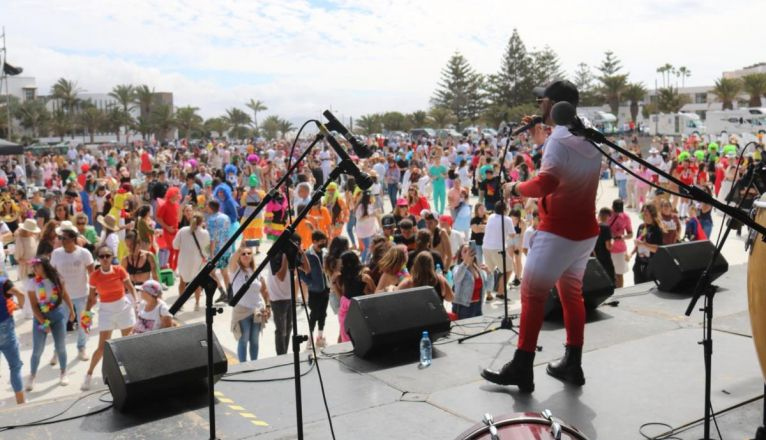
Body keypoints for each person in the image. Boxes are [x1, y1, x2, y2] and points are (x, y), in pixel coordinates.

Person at [483, 81, 602, 392]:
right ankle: (572, 364)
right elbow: (565, 160)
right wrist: (542, 135)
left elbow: (546, 183)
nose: (539, 108)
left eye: (542, 103)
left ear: (554, 105)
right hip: (584, 231)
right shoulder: (588, 131)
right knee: (571, 294)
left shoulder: (559, 142)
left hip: (558, 232)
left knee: (532, 295)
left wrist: (514, 188)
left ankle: (522, 366)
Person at [81, 245, 137, 391]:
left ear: (112, 257)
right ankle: (88, 374)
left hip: (123, 308)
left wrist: (136, 302)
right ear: (98, 259)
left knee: (128, 343)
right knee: (102, 347)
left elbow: (130, 286)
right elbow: (91, 298)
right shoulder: (94, 276)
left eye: (107, 255)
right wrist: (86, 317)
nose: (105, 259)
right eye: (102, 256)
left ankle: (131, 373)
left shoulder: (119, 270)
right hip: (106, 311)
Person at [26, 257, 76, 390]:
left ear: (44, 266)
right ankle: (32, 376)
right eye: (33, 266)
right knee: (37, 350)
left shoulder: (57, 280)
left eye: (37, 266)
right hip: (40, 316)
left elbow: (65, 295)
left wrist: (71, 310)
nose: (34, 268)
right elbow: (34, 306)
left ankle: (63, 372)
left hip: (58, 315)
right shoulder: (32, 283)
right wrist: (43, 322)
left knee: (60, 346)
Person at [50, 222, 94, 363]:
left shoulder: (84, 253)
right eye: (61, 238)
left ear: (73, 239)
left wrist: (94, 294)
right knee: (60, 325)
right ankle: (57, 350)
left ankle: (82, 347)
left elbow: (92, 274)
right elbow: (52, 274)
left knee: (84, 323)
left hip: (82, 294)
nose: (61, 241)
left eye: (65, 238)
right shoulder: (56, 254)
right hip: (62, 297)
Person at [229, 246, 270, 361]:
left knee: (255, 341)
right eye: (243, 254)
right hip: (242, 311)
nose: (246, 255)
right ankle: (243, 367)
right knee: (243, 340)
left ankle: (254, 365)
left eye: (249, 253)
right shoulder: (235, 269)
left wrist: (267, 306)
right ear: (239, 256)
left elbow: (265, 291)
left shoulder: (257, 271)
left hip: (257, 311)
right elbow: (232, 260)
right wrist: (239, 249)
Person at [334, 251, 375, 342]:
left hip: (358, 307)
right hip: (346, 307)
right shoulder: (341, 276)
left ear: (348, 263)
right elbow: (341, 296)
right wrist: (333, 284)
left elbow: (374, 292)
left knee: (359, 336)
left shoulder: (364, 275)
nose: (340, 265)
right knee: (346, 334)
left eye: (342, 263)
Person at [298, 231, 330, 349]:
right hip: (314, 291)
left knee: (323, 314)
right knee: (314, 315)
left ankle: (320, 338)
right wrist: (309, 282)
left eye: (324, 240)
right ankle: (310, 340)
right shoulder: (308, 254)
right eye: (321, 241)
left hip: (325, 289)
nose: (323, 242)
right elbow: (300, 272)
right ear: (314, 241)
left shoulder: (325, 252)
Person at [174, 211, 210, 310]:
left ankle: (180, 304)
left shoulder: (182, 230)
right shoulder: (205, 233)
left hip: (184, 260)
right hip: (197, 261)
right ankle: (197, 304)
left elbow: (175, 245)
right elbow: (206, 250)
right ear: (202, 221)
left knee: (182, 282)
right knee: (197, 283)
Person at [0, 275, 26, 403]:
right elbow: (19, 293)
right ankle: (21, 403)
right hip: (4, 327)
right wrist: (20, 305)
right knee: (15, 366)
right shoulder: (3, 282)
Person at [481, 201, 515, 297]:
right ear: (504, 209)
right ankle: (500, 292)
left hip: (486, 247)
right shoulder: (507, 219)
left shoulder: (491, 217)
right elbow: (512, 235)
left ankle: (488, 294)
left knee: (489, 271)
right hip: (498, 248)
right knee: (508, 269)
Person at [452, 243, 489, 319]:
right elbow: (457, 278)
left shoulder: (478, 269)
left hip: (478, 306)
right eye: (465, 251)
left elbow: (488, 287)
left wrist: (489, 273)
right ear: (461, 256)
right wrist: (465, 262)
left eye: (470, 250)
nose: (468, 253)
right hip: (464, 308)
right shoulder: (457, 268)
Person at [630, 204, 665, 284]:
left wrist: (644, 244)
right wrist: (631, 254)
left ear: (652, 214)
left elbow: (657, 249)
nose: (643, 214)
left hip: (651, 266)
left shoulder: (657, 229)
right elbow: (638, 244)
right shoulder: (641, 227)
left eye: (645, 212)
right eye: (642, 212)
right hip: (639, 264)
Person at [206, 200, 232, 303]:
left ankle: (222, 293)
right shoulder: (226, 217)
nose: (206, 209)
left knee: (211, 273)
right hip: (226, 249)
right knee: (225, 272)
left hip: (216, 252)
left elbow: (212, 239)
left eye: (207, 207)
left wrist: (211, 254)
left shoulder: (211, 220)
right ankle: (230, 295)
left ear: (211, 208)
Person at [607, 199, 632, 288]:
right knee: (608, 274)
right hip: (607, 249)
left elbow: (630, 234)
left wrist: (622, 237)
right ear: (612, 207)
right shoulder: (607, 215)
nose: (618, 212)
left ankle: (619, 294)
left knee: (619, 275)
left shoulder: (626, 217)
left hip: (620, 250)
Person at [594, 208, 615, 282]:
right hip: (605, 258)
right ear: (607, 216)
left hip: (596, 257)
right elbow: (608, 246)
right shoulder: (606, 228)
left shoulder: (595, 226)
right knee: (610, 279)